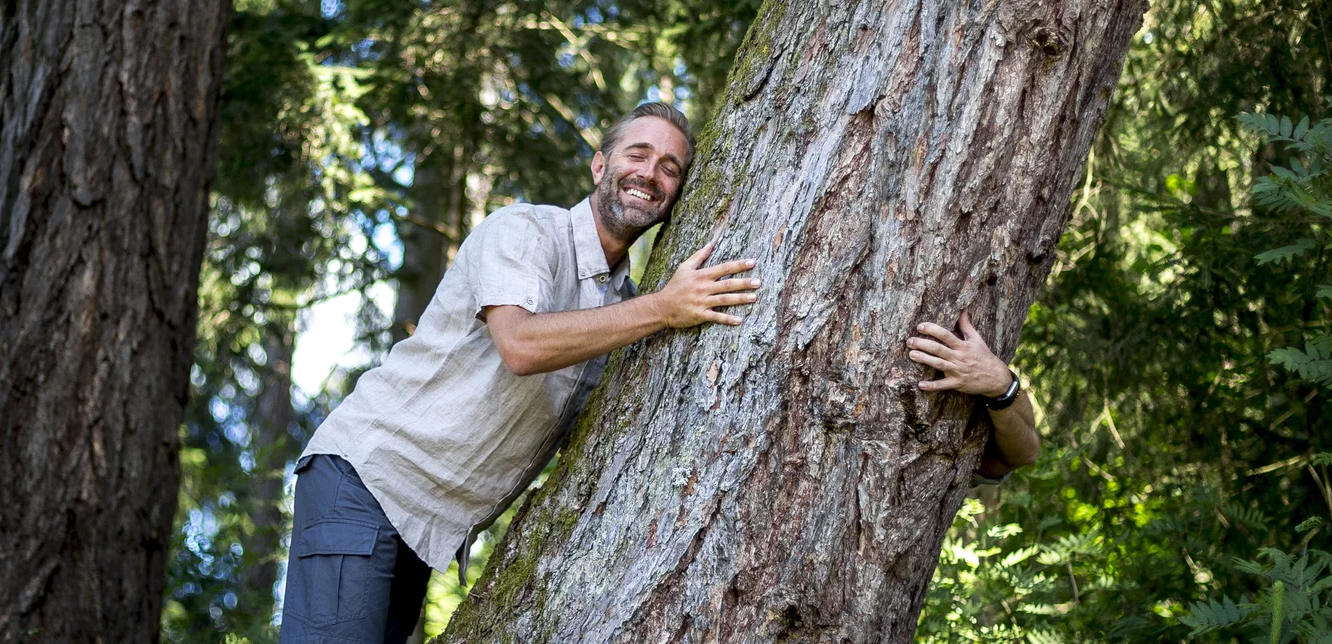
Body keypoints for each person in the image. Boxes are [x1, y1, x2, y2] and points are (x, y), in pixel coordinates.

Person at [279, 102, 1039, 643]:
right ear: (600, 164)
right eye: (637, 155)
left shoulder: (623, 307)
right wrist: (666, 310)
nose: (651, 173)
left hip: (425, 528)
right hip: (368, 482)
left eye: (670, 167)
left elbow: (1006, 459)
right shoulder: (527, 232)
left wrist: (995, 385)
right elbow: (519, 344)